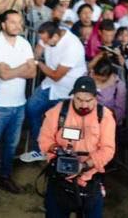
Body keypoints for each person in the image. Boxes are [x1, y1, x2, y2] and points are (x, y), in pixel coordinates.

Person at [37, 76, 116, 218]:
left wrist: (84, 165)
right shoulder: (59, 112)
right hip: (59, 180)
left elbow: (108, 149)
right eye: (79, 99)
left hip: (90, 181)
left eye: (88, 100)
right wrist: (57, 152)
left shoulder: (104, 116)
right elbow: (44, 139)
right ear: (73, 95)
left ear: (95, 98)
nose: (83, 105)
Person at [0, 9, 35, 204]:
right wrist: (20, 69)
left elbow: (32, 72)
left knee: (11, 145)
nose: (18, 26)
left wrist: (13, 70)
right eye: (13, 22)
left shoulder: (25, 43)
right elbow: (3, 74)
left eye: (20, 22)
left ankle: (5, 177)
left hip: (19, 103)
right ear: (3, 24)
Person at [21, 20, 88, 162]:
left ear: (55, 37)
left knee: (65, 126)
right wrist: (33, 57)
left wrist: (38, 63)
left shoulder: (73, 47)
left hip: (67, 92)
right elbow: (39, 48)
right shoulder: (52, 32)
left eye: (47, 41)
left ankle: (62, 158)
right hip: (49, 86)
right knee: (32, 108)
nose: (44, 42)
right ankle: (39, 149)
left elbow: (56, 76)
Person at [89, 57, 126, 125]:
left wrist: (105, 117)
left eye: (102, 80)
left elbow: (120, 110)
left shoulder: (118, 85)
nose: (98, 82)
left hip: (106, 120)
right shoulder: (87, 78)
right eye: (96, 79)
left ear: (110, 76)